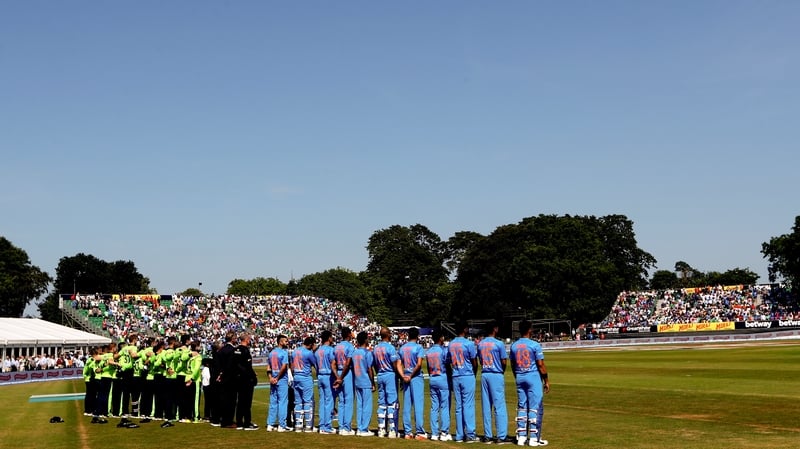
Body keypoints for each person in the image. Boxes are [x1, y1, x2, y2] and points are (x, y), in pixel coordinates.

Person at [510, 320, 551, 447]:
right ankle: (534, 438)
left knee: (522, 406)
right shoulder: (534, 345)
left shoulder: (514, 346)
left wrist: (517, 375)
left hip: (520, 376)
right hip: (532, 377)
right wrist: (546, 380)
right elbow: (540, 365)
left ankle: (521, 437)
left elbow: (512, 364)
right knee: (535, 407)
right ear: (529, 330)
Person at [478, 321, 509, 444]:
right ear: (495, 329)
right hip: (496, 373)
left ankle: (488, 436)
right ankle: (501, 436)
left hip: (485, 373)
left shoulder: (480, 344)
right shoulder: (499, 343)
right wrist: (501, 371)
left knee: (486, 406)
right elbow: (504, 361)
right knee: (499, 405)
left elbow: (480, 360)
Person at [448, 321, 478, 443]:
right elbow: (474, 362)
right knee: (468, 405)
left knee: (459, 406)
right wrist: (473, 374)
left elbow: (448, 361)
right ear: (465, 329)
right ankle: (470, 434)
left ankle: (460, 434)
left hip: (456, 374)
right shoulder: (468, 344)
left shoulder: (450, 344)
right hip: (467, 375)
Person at [373, 327, 402, 438]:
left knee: (381, 403)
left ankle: (381, 429)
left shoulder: (376, 348)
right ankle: (392, 430)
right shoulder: (390, 348)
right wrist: (399, 376)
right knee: (392, 403)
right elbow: (395, 364)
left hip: (380, 375)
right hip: (390, 375)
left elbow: (374, 364)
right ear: (388, 335)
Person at [399, 327, 427, 440]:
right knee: (418, 405)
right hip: (415, 377)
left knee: (407, 405)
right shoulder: (419, 347)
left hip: (405, 376)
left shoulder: (402, 348)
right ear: (417, 336)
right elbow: (419, 364)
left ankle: (407, 432)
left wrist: (403, 376)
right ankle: (419, 432)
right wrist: (411, 375)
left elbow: (399, 364)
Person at [425, 329, 452, 441]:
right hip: (442, 378)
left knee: (434, 407)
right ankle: (444, 433)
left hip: (433, 378)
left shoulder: (429, 351)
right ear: (441, 338)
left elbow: (427, 367)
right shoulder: (444, 351)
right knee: (444, 406)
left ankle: (435, 433)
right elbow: (448, 366)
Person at [232, 333, 259, 430]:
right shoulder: (245, 351)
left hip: (237, 379)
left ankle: (239, 422)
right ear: (246, 340)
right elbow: (247, 366)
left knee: (240, 401)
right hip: (246, 379)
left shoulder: (235, 350)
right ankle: (247, 423)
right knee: (247, 402)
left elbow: (234, 365)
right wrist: (253, 376)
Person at [291, 336, 318, 433]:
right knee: (308, 401)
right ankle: (308, 426)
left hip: (296, 377)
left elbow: (292, 366)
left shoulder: (295, 351)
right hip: (305, 377)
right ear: (311, 344)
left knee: (298, 402)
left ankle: (298, 425)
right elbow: (315, 365)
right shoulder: (309, 353)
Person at [352, 331, 375, 437]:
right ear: (365, 340)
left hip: (357, 381)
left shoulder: (354, 352)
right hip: (365, 381)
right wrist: (373, 383)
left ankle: (360, 427)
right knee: (366, 406)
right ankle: (364, 428)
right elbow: (370, 369)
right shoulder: (367, 353)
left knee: (360, 406)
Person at [315, 330, 338, 435]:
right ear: (329, 338)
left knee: (322, 401)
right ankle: (327, 426)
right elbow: (333, 365)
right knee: (329, 402)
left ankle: (322, 425)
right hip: (328, 376)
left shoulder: (318, 351)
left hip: (320, 376)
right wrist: (337, 377)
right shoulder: (330, 350)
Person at [333, 327, 355, 435]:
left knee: (341, 401)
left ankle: (341, 426)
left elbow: (334, 363)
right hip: (346, 374)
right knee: (348, 401)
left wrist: (337, 376)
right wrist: (341, 377)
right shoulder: (350, 346)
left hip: (338, 372)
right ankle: (346, 427)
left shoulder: (336, 347)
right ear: (349, 334)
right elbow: (348, 363)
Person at [266, 335, 290, 432]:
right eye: (285, 341)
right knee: (282, 402)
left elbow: (268, 367)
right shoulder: (284, 353)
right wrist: (277, 377)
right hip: (281, 380)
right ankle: (281, 425)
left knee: (273, 403)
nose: (287, 343)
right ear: (280, 342)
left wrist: (271, 378)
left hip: (273, 380)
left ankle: (270, 424)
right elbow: (284, 367)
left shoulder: (272, 353)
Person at [214, 332, 237, 429]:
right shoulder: (232, 350)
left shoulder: (221, 350)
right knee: (231, 401)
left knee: (223, 400)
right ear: (232, 339)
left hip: (222, 378)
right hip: (230, 378)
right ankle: (228, 421)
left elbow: (218, 364)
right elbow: (231, 365)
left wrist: (220, 374)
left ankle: (223, 419)